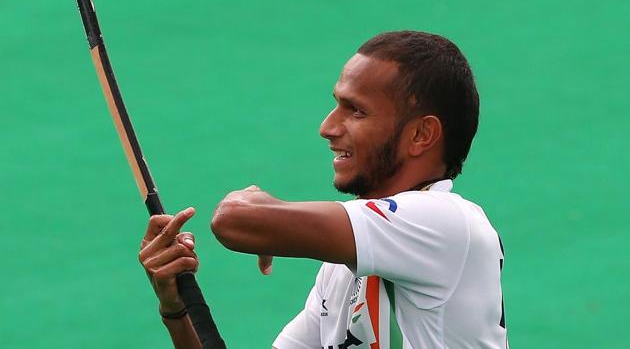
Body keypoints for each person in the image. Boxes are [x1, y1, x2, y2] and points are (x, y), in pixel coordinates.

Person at [139, 30, 508, 349]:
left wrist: (261, 212)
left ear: (421, 135)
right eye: (337, 106)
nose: (328, 127)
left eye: (356, 111)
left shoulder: (446, 222)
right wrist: (176, 306)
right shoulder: (343, 273)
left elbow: (233, 220)